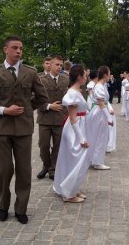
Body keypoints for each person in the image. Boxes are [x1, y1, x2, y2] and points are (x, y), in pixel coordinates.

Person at [0, 36, 48, 224]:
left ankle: (21, 208)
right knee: (3, 170)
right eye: (15, 47)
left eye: (21, 48)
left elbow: (42, 97)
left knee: (24, 170)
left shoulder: (30, 72)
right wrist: (5, 110)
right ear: (6, 49)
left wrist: (28, 110)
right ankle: (4, 205)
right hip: (2, 129)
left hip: (23, 129)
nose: (19, 51)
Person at [53, 64, 90, 203]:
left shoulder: (76, 91)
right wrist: (81, 138)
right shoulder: (72, 94)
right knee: (76, 160)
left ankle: (72, 188)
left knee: (72, 160)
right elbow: (73, 118)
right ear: (79, 77)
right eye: (85, 75)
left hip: (77, 127)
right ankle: (68, 194)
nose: (86, 77)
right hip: (75, 130)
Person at [36, 54, 69, 180]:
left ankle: (53, 169)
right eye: (57, 64)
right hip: (45, 118)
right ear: (49, 65)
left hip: (60, 118)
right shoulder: (40, 80)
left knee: (58, 146)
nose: (59, 67)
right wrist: (49, 106)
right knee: (43, 145)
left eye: (61, 65)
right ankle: (46, 166)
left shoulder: (66, 79)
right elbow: (34, 99)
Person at [87, 66, 113, 170]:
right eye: (109, 73)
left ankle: (94, 159)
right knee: (101, 136)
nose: (110, 76)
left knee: (97, 136)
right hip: (99, 113)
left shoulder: (101, 85)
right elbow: (101, 103)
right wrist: (109, 118)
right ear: (105, 75)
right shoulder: (99, 87)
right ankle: (97, 162)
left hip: (98, 112)